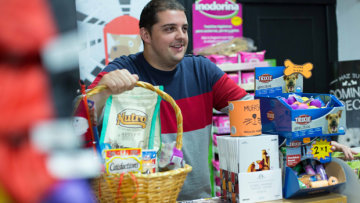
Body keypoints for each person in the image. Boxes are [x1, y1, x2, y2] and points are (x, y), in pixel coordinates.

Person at [81, 0, 357, 200]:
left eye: (184, 28)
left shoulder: (202, 70)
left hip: (198, 197)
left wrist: (312, 138)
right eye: (169, 29)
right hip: (139, 197)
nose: (181, 37)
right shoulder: (123, 70)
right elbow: (80, 120)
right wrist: (105, 91)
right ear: (145, 34)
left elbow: (256, 116)